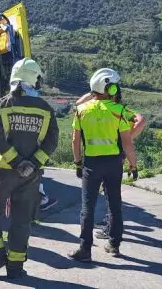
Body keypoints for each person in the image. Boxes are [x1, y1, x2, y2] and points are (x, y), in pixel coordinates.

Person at [0, 58, 59, 279]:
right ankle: (15, 267)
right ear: (34, 79)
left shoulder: (2, 105)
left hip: (3, 172)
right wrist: (31, 164)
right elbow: (52, 142)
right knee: (22, 220)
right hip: (31, 177)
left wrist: (16, 162)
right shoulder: (46, 109)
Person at [68, 68, 138, 262]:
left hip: (91, 163)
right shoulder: (119, 111)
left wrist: (78, 163)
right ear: (109, 88)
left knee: (87, 207)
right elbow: (127, 143)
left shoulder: (81, 110)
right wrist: (133, 166)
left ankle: (85, 249)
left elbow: (75, 141)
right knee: (114, 204)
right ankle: (114, 245)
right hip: (114, 163)